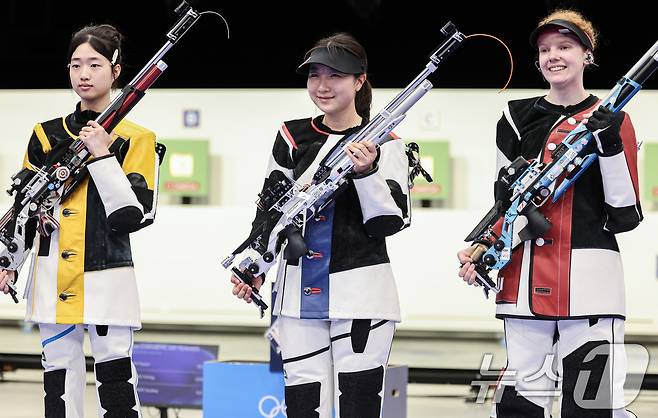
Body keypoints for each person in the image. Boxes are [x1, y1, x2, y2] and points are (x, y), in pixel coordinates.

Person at [458, 9, 642, 418]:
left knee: (591, 405)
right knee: (519, 405)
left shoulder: (614, 120)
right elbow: (504, 201)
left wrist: (608, 143)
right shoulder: (515, 116)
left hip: (591, 284)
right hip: (522, 280)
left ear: (586, 55)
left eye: (564, 46)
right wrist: (479, 245)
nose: (553, 55)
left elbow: (625, 214)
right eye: (544, 49)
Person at [230, 33, 411, 417]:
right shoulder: (291, 135)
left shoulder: (388, 143)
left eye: (335, 76)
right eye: (315, 75)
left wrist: (366, 172)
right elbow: (269, 212)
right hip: (296, 292)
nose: (322, 86)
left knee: (360, 403)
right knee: (302, 403)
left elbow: (390, 222)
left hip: (363, 292)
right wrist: (255, 268)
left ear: (360, 80)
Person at [0, 24, 162, 418]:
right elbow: (25, 206)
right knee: (58, 385)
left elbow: (137, 214)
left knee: (117, 385)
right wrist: (7, 262)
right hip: (51, 275)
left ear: (116, 71)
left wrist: (103, 155)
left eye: (94, 64)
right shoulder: (45, 134)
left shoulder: (137, 137)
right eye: (76, 65)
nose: (84, 74)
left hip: (107, 276)